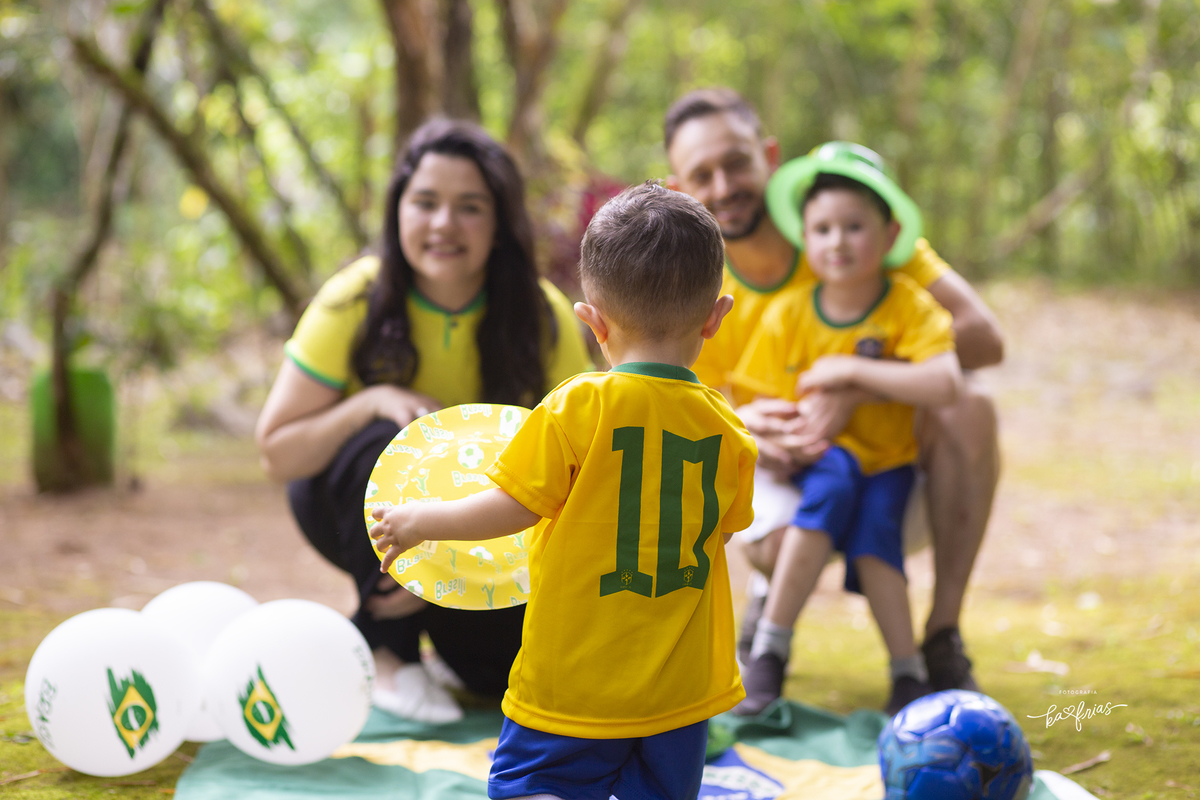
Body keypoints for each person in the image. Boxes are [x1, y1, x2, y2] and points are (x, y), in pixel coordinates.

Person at [369, 182, 758, 800]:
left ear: (591, 321)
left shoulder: (578, 407)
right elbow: (724, 528)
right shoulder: (730, 432)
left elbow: (512, 506)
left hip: (574, 679)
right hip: (682, 690)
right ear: (716, 317)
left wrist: (422, 522)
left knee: (529, 786)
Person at [664, 87, 1004, 692]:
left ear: (769, 155)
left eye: (736, 163)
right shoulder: (688, 279)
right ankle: (764, 612)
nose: (723, 185)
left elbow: (984, 338)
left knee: (974, 405)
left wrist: (858, 383)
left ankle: (942, 636)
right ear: (680, 186)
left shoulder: (846, 224)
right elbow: (677, 402)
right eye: (702, 174)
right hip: (786, 474)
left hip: (893, 468)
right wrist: (744, 426)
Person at [254, 119, 594, 723]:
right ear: (399, 211)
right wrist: (368, 402)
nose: (443, 224)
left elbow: (580, 454)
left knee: (497, 678)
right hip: (349, 507)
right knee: (392, 437)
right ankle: (389, 649)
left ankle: (421, 635)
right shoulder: (353, 298)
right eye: (426, 203)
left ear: (499, 224)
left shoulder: (540, 313)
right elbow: (278, 452)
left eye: (469, 207)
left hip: (490, 529)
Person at [729, 154, 962, 716]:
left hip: (888, 464)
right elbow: (756, 399)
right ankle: (771, 653)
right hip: (816, 462)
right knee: (833, 482)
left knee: (878, 538)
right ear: (804, 238)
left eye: (854, 226)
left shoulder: (907, 304)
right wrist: (784, 438)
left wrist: (854, 373)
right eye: (823, 229)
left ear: (890, 235)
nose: (838, 241)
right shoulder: (787, 313)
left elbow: (945, 381)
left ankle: (907, 673)